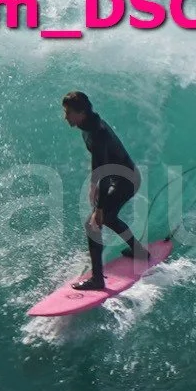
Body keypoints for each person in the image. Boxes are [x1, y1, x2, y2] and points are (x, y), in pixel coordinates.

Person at [62, 90, 141, 291]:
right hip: (119, 177)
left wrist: (99, 208)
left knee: (93, 225)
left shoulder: (98, 133)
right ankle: (139, 252)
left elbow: (105, 171)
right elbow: (99, 161)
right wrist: (93, 184)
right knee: (109, 218)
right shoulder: (86, 125)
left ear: (81, 112)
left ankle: (98, 280)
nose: (66, 117)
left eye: (69, 112)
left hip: (125, 181)